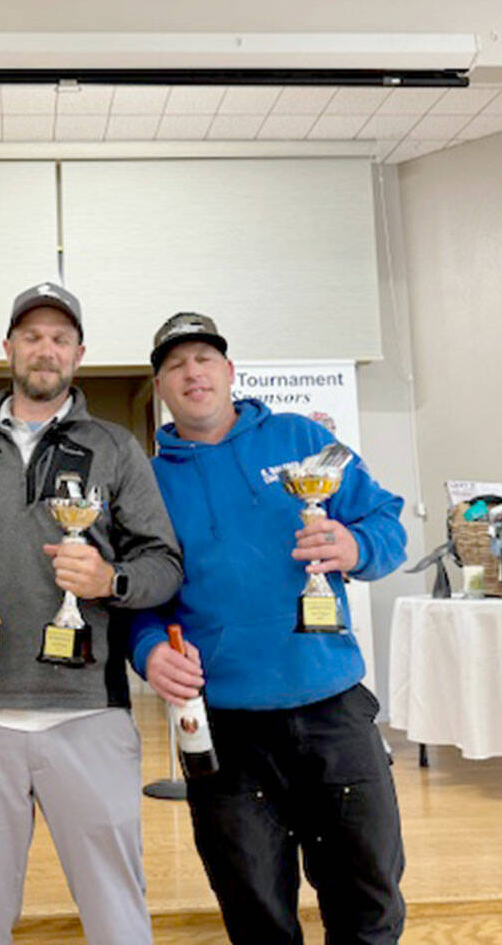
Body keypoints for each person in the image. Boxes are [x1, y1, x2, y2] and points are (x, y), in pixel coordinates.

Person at [132, 312, 409, 945]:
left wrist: (354, 543)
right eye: (175, 364)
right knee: (254, 913)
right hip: (225, 730)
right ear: (161, 389)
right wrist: (150, 651)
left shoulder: (301, 439)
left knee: (368, 900)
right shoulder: (147, 482)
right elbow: (141, 598)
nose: (191, 372)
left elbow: (388, 527)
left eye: (204, 358)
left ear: (229, 373)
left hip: (333, 709)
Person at [0, 282, 183, 945]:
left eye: (60, 338)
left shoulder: (117, 448)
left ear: (80, 353)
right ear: (8, 348)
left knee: (117, 917)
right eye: (32, 336)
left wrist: (109, 577)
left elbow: (163, 564)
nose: (46, 350)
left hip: (89, 713)